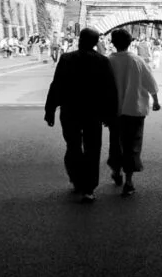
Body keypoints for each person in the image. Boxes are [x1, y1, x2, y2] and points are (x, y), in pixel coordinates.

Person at [44, 27, 118, 203]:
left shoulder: (66, 59)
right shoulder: (102, 61)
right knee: (93, 148)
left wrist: (50, 110)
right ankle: (89, 189)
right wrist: (110, 115)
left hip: (70, 111)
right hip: (93, 113)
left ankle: (76, 179)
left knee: (73, 146)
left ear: (79, 40)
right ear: (95, 43)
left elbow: (57, 85)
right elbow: (110, 90)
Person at [106, 29, 161, 196]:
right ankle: (129, 181)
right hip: (135, 110)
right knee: (132, 145)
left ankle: (116, 171)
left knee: (115, 142)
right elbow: (150, 83)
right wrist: (156, 101)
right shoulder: (137, 61)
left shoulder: (108, 61)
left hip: (114, 111)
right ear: (130, 43)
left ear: (113, 43)